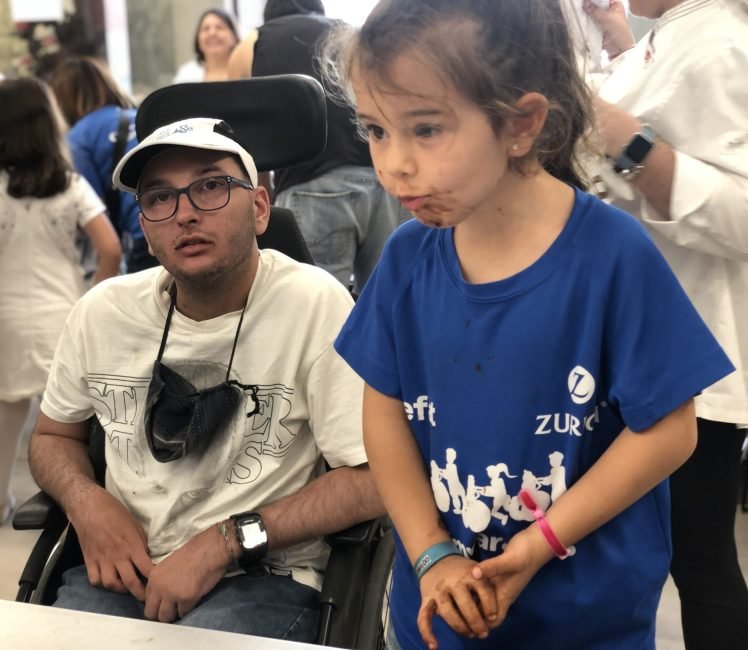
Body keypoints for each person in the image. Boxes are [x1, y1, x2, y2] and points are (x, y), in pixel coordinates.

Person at [324, 0, 737, 647]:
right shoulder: (407, 258)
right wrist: (431, 553)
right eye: (376, 130)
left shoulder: (612, 257)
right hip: (434, 617)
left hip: (584, 623)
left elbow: (669, 430)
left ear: (521, 125)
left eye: (426, 129)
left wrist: (542, 541)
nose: (394, 163)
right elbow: (383, 411)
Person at [27, 116, 383, 641]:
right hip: (124, 571)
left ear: (259, 208)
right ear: (146, 230)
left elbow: (373, 478)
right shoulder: (102, 312)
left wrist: (224, 543)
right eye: (160, 198)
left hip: (263, 576)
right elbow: (51, 436)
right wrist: (86, 503)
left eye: (211, 186)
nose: (185, 213)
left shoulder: (313, 304)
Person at [582, 1, 748, 648]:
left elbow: (742, 217)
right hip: (633, 348)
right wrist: (619, 44)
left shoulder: (722, 42)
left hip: (686, 359)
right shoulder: (678, 34)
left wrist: (628, 144)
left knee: (699, 563)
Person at [0, 77, 120, 525]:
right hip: (63, 315)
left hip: (7, 319)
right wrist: (97, 296)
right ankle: (84, 496)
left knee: (6, 416)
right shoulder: (71, 186)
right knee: (74, 419)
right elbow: (109, 248)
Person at [227, 0, 406, 294]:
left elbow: (238, 132)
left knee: (316, 308)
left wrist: (261, 197)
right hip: (381, 181)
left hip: (312, 186)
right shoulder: (349, 35)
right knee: (390, 305)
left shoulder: (253, 43)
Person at [49, 55, 156, 274]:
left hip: (141, 236)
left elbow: (92, 205)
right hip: (168, 220)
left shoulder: (79, 138)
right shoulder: (141, 117)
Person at [173, 8, 240, 83]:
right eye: (206, 29)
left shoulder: (246, 71)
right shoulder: (185, 75)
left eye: (219, 27)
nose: (212, 33)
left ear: (234, 37)